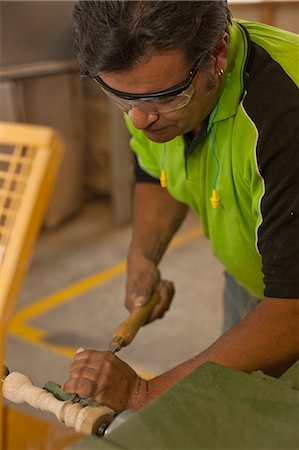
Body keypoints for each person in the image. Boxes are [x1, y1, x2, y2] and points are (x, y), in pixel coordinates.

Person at [63, 1, 299, 413]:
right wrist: (143, 257)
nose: (138, 120)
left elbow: (293, 309)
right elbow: (156, 171)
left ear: (218, 54)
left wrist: (143, 394)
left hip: (288, 303)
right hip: (258, 281)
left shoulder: (286, 115)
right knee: (243, 407)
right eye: (118, 96)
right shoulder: (148, 89)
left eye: (162, 98)